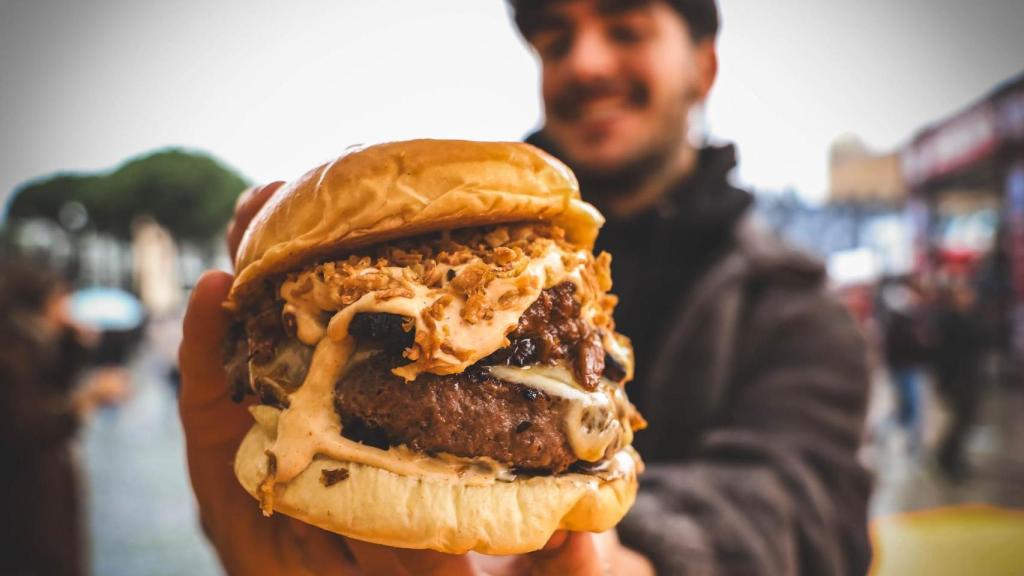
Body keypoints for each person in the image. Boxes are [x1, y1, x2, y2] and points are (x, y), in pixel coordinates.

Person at [181, 0, 872, 573]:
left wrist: (623, 559)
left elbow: (803, 503)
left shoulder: (794, 301)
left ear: (705, 65)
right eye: (555, 40)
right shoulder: (445, 191)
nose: (586, 63)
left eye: (625, 28)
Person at [0, 260, 123, 576]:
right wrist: (85, 402)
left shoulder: (35, 340)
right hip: (27, 495)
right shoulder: (14, 348)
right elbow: (26, 425)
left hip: (42, 485)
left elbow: (57, 380)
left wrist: (75, 342)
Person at [933, 281, 984, 481]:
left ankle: (950, 457)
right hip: (956, 381)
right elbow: (944, 356)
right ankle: (948, 459)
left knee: (965, 421)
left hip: (969, 379)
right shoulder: (950, 321)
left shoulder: (970, 317)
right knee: (958, 421)